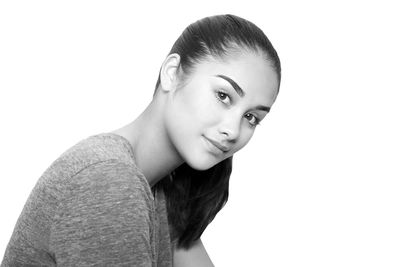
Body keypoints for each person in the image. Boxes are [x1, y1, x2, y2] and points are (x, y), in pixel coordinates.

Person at [1, 14, 281, 266]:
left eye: (251, 117)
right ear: (172, 73)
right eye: (223, 96)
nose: (233, 130)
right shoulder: (108, 179)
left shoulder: (164, 191)